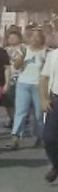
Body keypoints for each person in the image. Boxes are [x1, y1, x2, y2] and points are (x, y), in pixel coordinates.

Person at [10, 30, 47, 150]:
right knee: (20, 111)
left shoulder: (46, 52)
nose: (34, 39)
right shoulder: (24, 49)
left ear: (42, 39)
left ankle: (39, 136)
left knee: (38, 114)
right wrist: (23, 57)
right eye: (32, 37)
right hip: (23, 83)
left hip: (39, 85)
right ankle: (15, 136)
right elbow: (16, 66)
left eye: (37, 37)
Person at [40, 45, 58, 182]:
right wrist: (44, 99)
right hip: (55, 100)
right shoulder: (53, 55)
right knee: (49, 138)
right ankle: (56, 165)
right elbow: (44, 78)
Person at [2, 30, 25, 129]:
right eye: (10, 38)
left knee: (18, 100)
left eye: (14, 37)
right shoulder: (5, 50)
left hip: (21, 76)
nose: (11, 39)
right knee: (7, 101)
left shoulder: (24, 48)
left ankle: (20, 119)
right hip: (8, 77)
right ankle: (12, 119)